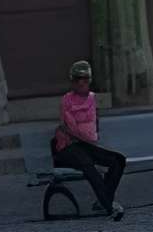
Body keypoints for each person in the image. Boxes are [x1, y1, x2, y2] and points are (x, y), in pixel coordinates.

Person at [52, 58, 128, 218]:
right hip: (68, 147)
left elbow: (94, 125)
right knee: (88, 165)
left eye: (85, 79)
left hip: (87, 145)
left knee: (118, 160)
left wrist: (94, 139)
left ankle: (102, 201)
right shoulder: (66, 100)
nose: (81, 82)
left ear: (90, 80)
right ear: (72, 81)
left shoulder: (92, 99)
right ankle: (109, 206)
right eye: (78, 79)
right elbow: (69, 128)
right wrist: (88, 136)